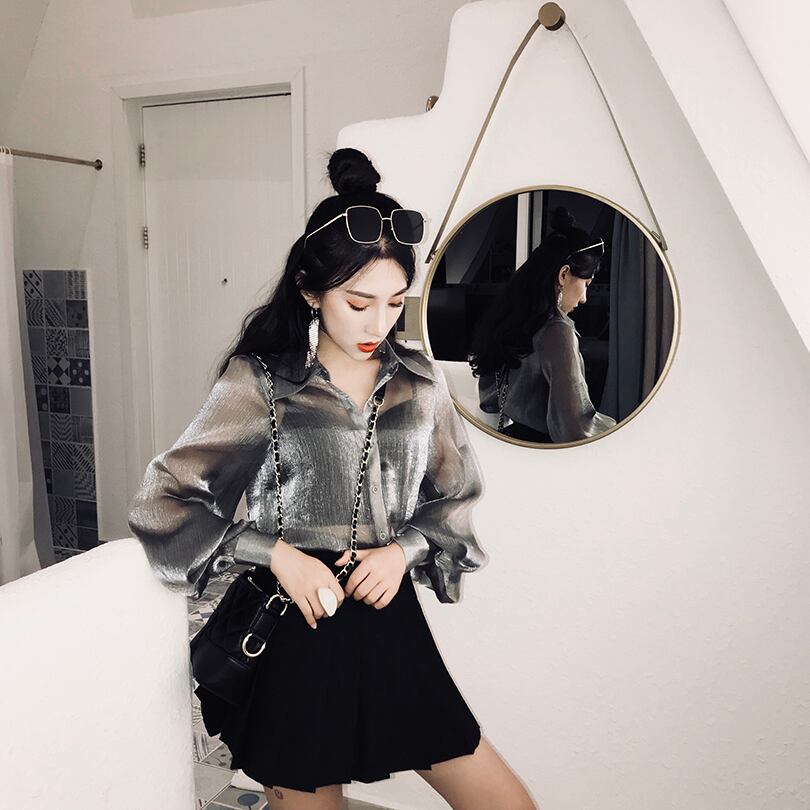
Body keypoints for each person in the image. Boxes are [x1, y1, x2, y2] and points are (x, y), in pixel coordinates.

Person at [127, 148, 537, 810]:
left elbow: (454, 498)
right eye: (358, 302)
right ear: (310, 290)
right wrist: (277, 554)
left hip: (387, 619)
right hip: (294, 625)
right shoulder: (260, 383)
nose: (379, 324)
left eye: (395, 303)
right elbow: (164, 500)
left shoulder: (420, 382)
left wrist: (403, 551)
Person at [470, 206, 617, 444]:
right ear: (564, 274)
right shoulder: (557, 331)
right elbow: (574, 428)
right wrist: (616, 431)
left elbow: (490, 400)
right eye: (586, 284)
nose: (584, 298)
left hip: (514, 444)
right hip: (549, 452)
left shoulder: (514, 321)